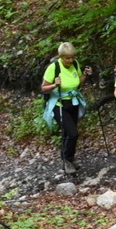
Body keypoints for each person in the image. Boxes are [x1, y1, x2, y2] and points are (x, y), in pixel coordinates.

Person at [41, 42, 92, 175]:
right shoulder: (54, 68)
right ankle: (66, 160)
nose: (70, 60)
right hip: (58, 104)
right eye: (67, 58)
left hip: (73, 103)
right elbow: (43, 88)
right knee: (73, 133)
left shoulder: (75, 64)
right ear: (61, 56)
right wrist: (54, 85)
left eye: (72, 57)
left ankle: (69, 158)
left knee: (68, 133)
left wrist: (86, 74)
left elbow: (78, 82)